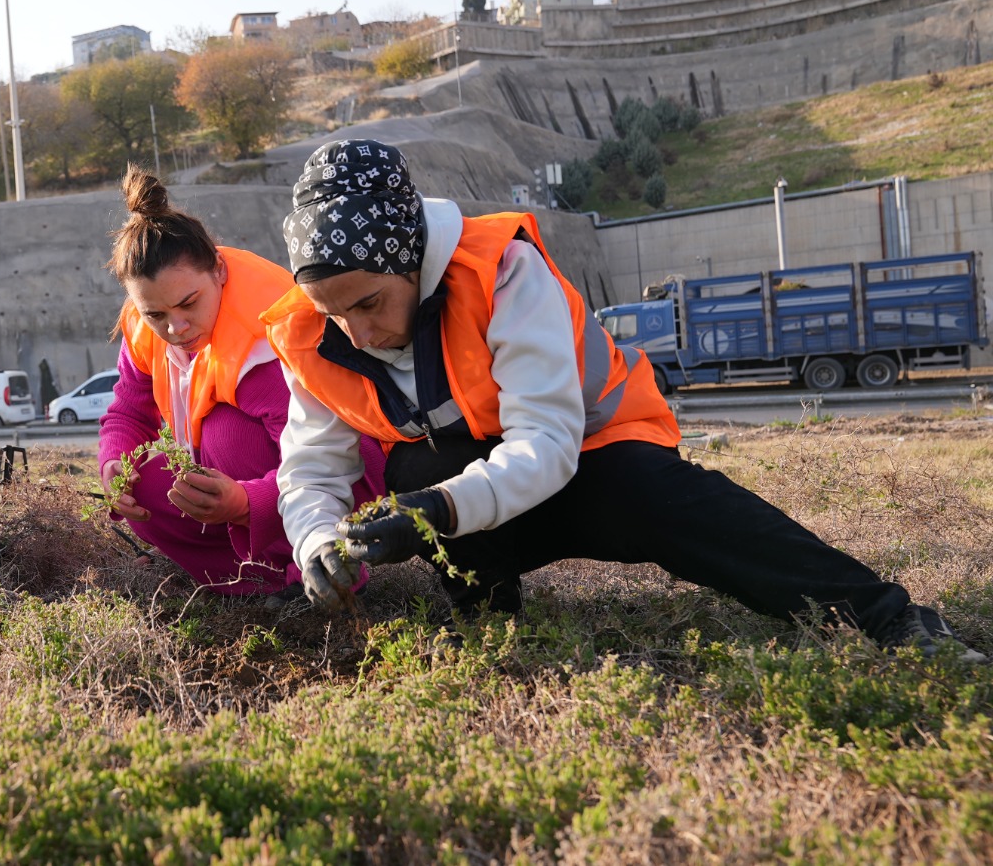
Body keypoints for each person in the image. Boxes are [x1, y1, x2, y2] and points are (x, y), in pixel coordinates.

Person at [262, 138, 984, 661]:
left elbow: (545, 441)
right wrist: (317, 541)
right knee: (415, 470)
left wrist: (434, 513)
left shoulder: (504, 271)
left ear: (411, 259)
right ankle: (490, 619)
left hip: (599, 458)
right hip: (489, 496)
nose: (355, 330)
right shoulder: (308, 333)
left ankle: (889, 620)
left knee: (666, 501)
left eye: (369, 302)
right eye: (334, 313)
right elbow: (311, 470)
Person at [98, 166, 386, 599]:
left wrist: (247, 503)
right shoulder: (144, 328)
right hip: (238, 497)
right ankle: (248, 578)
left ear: (219, 269)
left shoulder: (268, 340)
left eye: (188, 304)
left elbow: (352, 460)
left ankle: (314, 567)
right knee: (142, 477)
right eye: (155, 314)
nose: (176, 328)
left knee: (225, 434)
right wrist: (112, 463)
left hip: (348, 486)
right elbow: (127, 410)